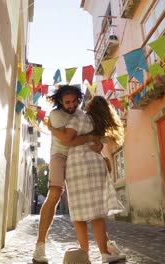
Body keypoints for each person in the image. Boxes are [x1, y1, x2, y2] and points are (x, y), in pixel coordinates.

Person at [33, 86, 124, 263]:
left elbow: (92, 137)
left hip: (79, 160)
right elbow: (67, 140)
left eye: (75, 101)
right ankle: (40, 246)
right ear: (60, 101)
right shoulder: (56, 116)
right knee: (54, 194)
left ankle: (104, 246)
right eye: (68, 102)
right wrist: (90, 138)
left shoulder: (81, 114)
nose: (72, 105)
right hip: (60, 155)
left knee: (90, 204)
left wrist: (97, 146)